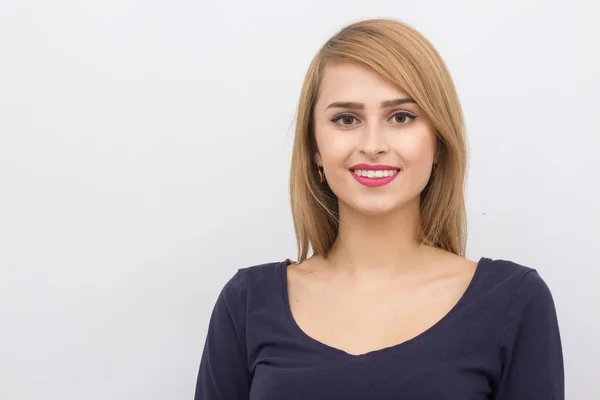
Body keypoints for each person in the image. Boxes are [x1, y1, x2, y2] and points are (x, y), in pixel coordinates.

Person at [194, 18, 564, 399]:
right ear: (315, 149)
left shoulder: (513, 302)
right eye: (346, 119)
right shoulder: (246, 303)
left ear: (438, 141)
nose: (373, 144)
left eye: (401, 117)